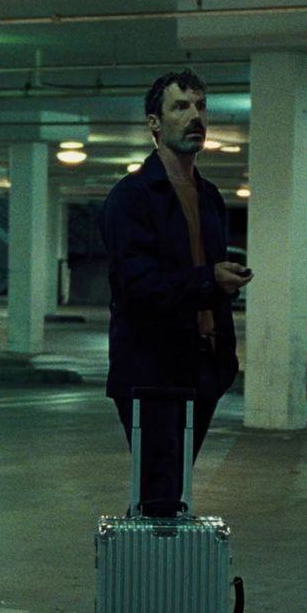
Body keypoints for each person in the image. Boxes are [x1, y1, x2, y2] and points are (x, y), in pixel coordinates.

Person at [101, 68, 253, 517]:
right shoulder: (131, 198)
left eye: (201, 107)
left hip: (201, 366)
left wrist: (220, 289)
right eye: (181, 107)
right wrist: (210, 279)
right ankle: (143, 581)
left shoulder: (208, 196)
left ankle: (158, 574)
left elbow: (200, 276)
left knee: (172, 489)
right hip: (151, 371)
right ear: (154, 123)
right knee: (158, 497)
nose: (195, 117)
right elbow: (137, 285)